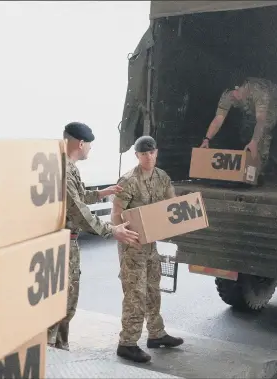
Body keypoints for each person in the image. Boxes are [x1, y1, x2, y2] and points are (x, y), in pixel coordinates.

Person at [48, 121, 141, 351]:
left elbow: (79, 197)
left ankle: (59, 347)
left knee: (67, 302)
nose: (90, 150)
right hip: (63, 245)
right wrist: (112, 230)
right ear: (81, 144)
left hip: (67, 244)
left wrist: (103, 192)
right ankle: (50, 353)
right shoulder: (64, 170)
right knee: (61, 302)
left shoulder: (69, 167)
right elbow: (79, 213)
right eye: (89, 145)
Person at [111, 135, 183, 363]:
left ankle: (156, 334)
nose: (148, 157)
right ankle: (127, 343)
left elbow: (172, 205)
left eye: (151, 153)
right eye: (144, 154)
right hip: (132, 245)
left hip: (151, 244)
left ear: (156, 152)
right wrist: (120, 233)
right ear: (137, 156)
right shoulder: (129, 180)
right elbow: (116, 212)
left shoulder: (162, 178)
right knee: (135, 293)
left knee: (153, 288)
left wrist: (177, 221)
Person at [200, 77, 277, 185]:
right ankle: (249, 162)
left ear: (243, 87)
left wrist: (254, 141)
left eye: (237, 93)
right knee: (247, 131)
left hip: (273, 99)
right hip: (251, 105)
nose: (234, 97)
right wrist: (207, 139)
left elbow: (261, 121)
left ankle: (257, 173)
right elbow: (218, 119)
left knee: (262, 134)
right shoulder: (228, 95)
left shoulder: (259, 93)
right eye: (232, 94)